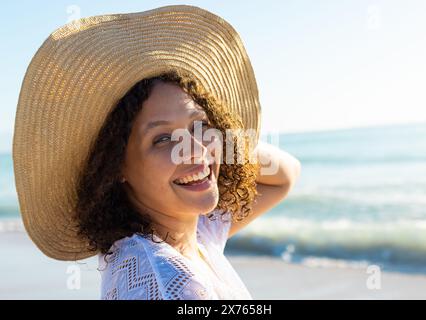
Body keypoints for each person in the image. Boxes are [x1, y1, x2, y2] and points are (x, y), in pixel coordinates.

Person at [13, 5, 301, 300]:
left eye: (200, 125)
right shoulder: (171, 281)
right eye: (162, 138)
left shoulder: (188, 235)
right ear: (117, 166)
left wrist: (218, 144)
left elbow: (286, 175)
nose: (192, 150)